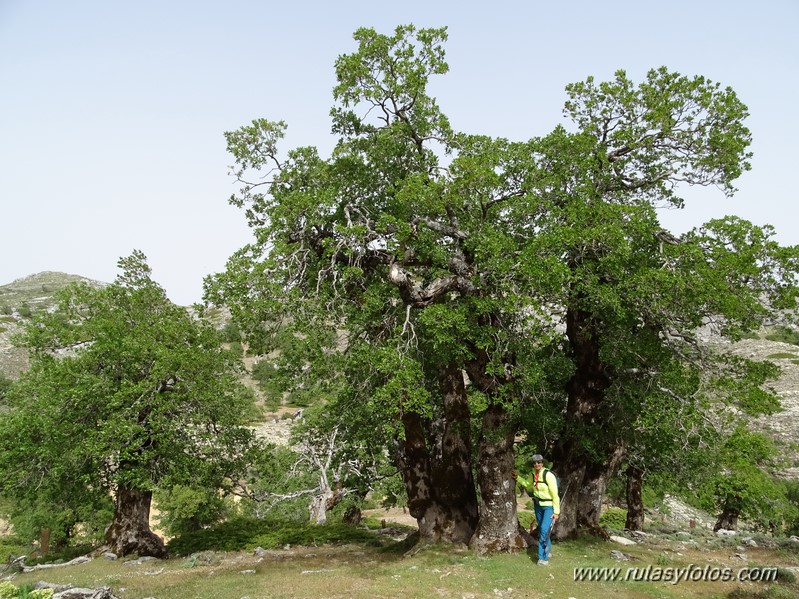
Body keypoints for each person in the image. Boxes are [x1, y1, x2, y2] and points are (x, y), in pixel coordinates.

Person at [514, 454, 560, 565]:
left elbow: (555, 495)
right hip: (538, 505)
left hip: (549, 506)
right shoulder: (532, 474)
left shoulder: (548, 475)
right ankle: (547, 550)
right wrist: (517, 477)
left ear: (542, 463)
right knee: (543, 529)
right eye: (534, 463)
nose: (536, 464)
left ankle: (542, 558)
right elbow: (527, 484)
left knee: (544, 529)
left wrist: (556, 512)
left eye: (539, 462)